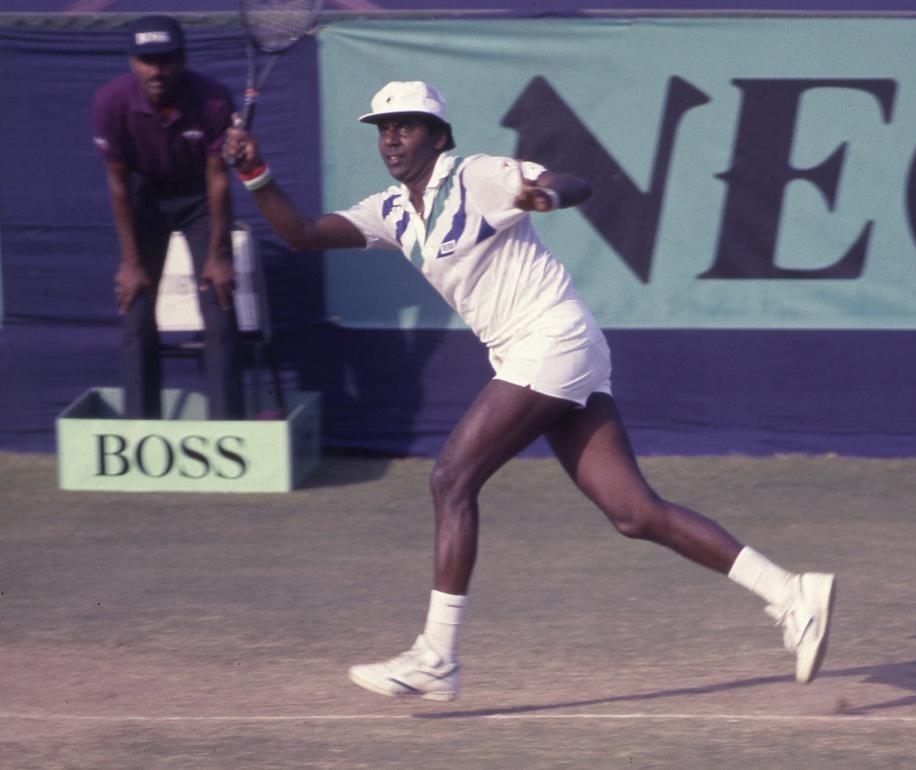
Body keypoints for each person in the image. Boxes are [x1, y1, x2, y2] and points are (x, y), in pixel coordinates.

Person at [223, 80, 834, 701]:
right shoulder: (391, 211)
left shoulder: (479, 174)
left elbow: (577, 181)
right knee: (633, 513)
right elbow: (300, 233)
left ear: (439, 135)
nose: (392, 139)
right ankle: (791, 592)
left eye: (406, 126)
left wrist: (544, 194)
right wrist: (255, 172)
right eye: (383, 128)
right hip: (543, 354)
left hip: (553, 340)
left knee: (451, 477)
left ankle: (437, 656)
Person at [92, 15, 244, 420]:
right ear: (132, 62)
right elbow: (119, 186)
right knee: (136, 307)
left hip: (199, 199)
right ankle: (142, 426)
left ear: (182, 60)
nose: (156, 70)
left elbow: (218, 181)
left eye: (165, 59)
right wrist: (131, 263)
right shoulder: (111, 102)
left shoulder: (213, 99)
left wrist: (219, 254)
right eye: (147, 60)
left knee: (219, 300)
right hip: (145, 201)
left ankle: (226, 427)